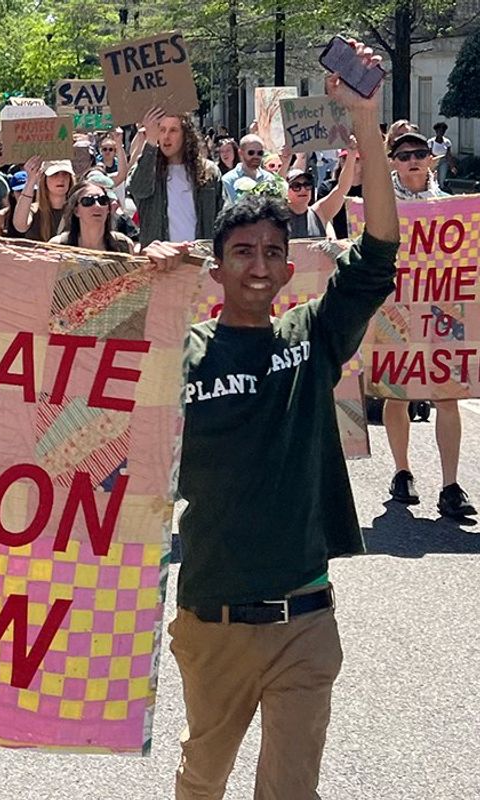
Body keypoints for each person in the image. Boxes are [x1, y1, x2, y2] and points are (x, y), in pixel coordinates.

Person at [147, 39, 400, 799]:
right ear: (216, 266)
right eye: (241, 252)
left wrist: (366, 122)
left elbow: (379, 251)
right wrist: (141, 284)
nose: (258, 265)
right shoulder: (179, 356)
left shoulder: (310, 340)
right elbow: (84, 373)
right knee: (202, 781)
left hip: (305, 620)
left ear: (290, 268)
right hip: (211, 620)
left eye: (271, 252)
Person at [382, 128, 475, 519]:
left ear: (431, 159)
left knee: (447, 394)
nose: (413, 161)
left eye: (419, 153)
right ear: (393, 163)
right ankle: (402, 472)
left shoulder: (450, 207)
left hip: (442, 310)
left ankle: (450, 486)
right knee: (396, 392)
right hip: (396, 309)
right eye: (404, 156)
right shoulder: (381, 206)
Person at [128, 108, 223, 244]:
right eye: (162, 130)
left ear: (186, 135)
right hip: (160, 254)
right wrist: (150, 143)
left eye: (173, 130)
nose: (166, 136)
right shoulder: (147, 168)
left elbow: (221, 218)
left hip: (199, 254)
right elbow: (138, 189)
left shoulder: (209, 171)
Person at [285, 142, 357, 239]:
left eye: (307, 185)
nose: (303, 189)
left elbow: (342, 188)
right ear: (285, 189)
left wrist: (352, 155)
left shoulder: (319, 213)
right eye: (296, 186)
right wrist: (285, 162)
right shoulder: (277, 217)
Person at [48, 177, 136, 253]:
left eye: (103, 200)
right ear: (76, 210)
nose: (97, 206)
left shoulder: (124, 245)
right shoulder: (58, 246)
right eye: (88, 201)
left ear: (108, 209)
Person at [10, 156, 74, 241]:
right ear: (44, 179)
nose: (61, 178)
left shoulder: (78, 210)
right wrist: (31, 180)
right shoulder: (34, 210)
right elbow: (20, 226)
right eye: (54, 174)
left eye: (65, 174)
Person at [220, 134, 277, 204]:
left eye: (260, 153)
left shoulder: (269, 178)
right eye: (251, 153)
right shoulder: (228, 180)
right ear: (241, 153)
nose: (256, 156)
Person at [0, 170, 26, 236]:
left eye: (29, 190)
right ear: (12, 194)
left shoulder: (41, 214)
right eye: (20, 191)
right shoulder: (1, 217)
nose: (25, 194)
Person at [430, 121, 456, 188]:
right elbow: (428, 153)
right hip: (434, 161)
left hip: (443, 161)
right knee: (434, 178)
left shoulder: (447, 142)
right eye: (439, 131)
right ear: (436, 131)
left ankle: (441, 189)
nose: (441, 133)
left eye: (443, 131)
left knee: (442, 179)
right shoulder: (431, 142)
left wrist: (452, 166)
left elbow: (448, 155)